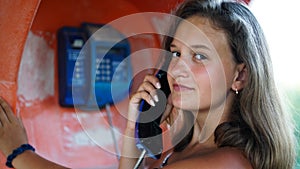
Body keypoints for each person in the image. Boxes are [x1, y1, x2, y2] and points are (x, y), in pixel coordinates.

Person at [0, 0, 296, 169]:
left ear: (240, 76)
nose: (178, 68)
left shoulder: (223, 162)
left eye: (199, 56)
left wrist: (19, 152)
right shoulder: (185, 150)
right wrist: (134, 127)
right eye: (176, 53)